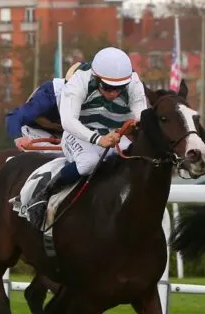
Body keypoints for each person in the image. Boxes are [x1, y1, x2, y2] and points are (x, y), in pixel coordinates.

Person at [25, 46, 146, 231]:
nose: (114, 94)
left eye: (119, 89)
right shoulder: (79, 82)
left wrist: (133, 125)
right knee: (89, 162)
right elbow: (68, 121)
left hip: (115, 133)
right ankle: (44, 193)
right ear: (96, 77)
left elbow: (140, 114)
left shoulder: (133, 82)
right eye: (108, 87)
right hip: (78, 134)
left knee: (136, 158)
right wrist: (99, 139)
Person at [4, 61, 83, 150]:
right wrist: (18, 138)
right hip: (36, 132)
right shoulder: (48, 95)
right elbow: (14, 116)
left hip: (64, 135)